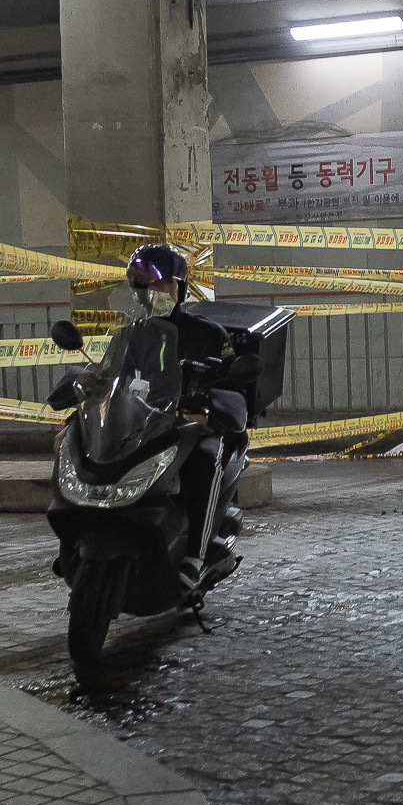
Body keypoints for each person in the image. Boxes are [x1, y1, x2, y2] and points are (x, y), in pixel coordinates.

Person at [125, 243, 249, 573]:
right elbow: (110, 381)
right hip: (145, 425)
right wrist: (74, 419)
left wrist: (208, 413)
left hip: (195, 427)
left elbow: (231, 383)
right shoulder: (132, 337)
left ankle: (195, 554)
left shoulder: (208, 333)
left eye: (166, 284)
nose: (159, 292)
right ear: (138, 291)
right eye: (150, 286)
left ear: (180, 287)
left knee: (206, 460)